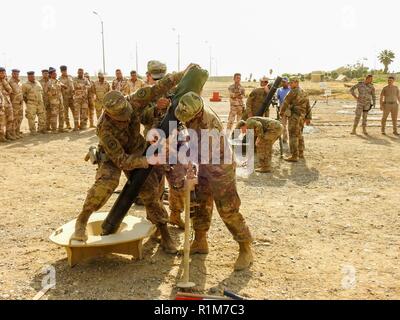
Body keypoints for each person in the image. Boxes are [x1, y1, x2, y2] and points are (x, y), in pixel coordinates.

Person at [70, 63, 196, 254]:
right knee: (104, 186)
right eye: (121, 117)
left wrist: (184, 73)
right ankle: (82, 220)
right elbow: (122, 160)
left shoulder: (134, 100)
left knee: (150, 192)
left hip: (136, 148)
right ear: (111, 116)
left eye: (127, 113)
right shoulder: (105, 129)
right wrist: (147, 162)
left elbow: (158, 88)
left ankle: (164, 233)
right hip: (115, 157)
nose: (126, 118)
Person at [175, 91, 254, 271]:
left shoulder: (209, 126)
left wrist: (190, 172)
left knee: (227, 209)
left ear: (198, 113)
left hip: (220, 168)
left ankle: (245, 248)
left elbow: (200, 155)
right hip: (203, 164)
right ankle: (200, 242)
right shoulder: (191, 110)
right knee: (201, 203)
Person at [141, 60, 185, 229]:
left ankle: (175, 214)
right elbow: (140, 117)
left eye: (161, 78)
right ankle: (156, 224)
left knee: (178, 182)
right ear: (148, 76)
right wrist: (155, 109)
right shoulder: (144, 94)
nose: (158, 82)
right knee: (155, 186)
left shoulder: (174, 92)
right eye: (155, 78)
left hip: (174, 142)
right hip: (154, 143)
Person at [280, 78, 312, 162]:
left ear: (296, 83)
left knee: (293, 135)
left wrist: (281, 112)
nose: (290, 84)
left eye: (291, 83)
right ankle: (300, 153)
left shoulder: (292, 92)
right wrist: (308, 117)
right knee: (299, 134)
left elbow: (285, 102)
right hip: (302, 116)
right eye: (289, 83)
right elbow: (308, 105)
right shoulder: (304, 92)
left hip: (294, 117)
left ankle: (294, 155)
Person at [46, 68, 65, 133]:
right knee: (54, 116)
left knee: (62, 115)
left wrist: (64, 86)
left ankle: (61, 128)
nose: (56, 74)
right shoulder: (49, 82)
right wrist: (52, 94)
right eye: (54, 73)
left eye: (56, 73)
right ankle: (54, 129)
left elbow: (63, 86)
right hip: (54, 102)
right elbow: (46, 92)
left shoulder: (58, 81)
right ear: (51, 75)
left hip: (60, 100)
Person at [0, 67, 16, 140]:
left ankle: (8, 134)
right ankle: (1, 136)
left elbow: (10, 90)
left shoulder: (5, 81)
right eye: (1, 73)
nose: (3, 74)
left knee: (10, 119)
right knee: (1, 120)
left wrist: (4, 80)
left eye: (4, 73)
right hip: (1, 104)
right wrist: (5, 92)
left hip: (7, 102)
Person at [9, 69, 24, 139]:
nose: (16, 75)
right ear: (12, 74)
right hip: (14, 103)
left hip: (20, 103)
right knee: (14, 119)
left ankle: (17, 131)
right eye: (15, 74)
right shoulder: (10, 82)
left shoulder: (19, 82)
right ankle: (13, 133)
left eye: (17, 74)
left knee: (20, 118)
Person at [59, 66, 74, 130]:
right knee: (65, 112)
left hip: (72, 97)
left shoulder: (70, 77)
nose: (64, 72)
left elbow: (73, 85)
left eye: (65, 71)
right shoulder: (59, 79)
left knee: (74, 111)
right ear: (61, 71)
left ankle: (76, 124)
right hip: (64, 98)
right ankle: (68, 125)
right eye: (63, 71)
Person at [276, 77, 291, 143]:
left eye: (284, 82)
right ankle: (285, 138)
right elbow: (277, 98)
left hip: (291, 108)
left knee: (291, 125)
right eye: (282, 82)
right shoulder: (279, 90)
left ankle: (292, 139)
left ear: (288, 82)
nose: (283, 83)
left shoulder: (291, 89)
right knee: (283, 124)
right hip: (282, 108)